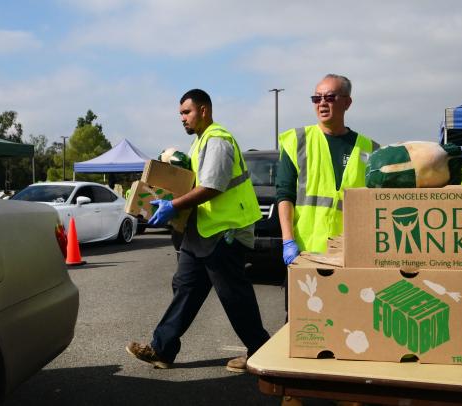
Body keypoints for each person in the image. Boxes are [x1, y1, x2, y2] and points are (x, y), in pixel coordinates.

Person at [126, 89, 270, 373]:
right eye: (180, 114)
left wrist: (173, 206)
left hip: (224, 232)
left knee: (234, 296)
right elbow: (191, 182)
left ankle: (262, 353)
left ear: (203, 110)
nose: (182, 119)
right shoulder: (200, 143)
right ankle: (162, 349)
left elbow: (211, 187)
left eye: (186, 112)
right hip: (201, 233)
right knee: (186, 289)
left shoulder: (218, 140)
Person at [276, 74, 379, 265]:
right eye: (316, 98)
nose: (322, 103)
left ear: (347, 103)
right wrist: (288, 241)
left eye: (330, 97)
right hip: (305, 252)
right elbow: (285, 194)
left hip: (351, 254)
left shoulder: (370, 149)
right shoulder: (297, 141)